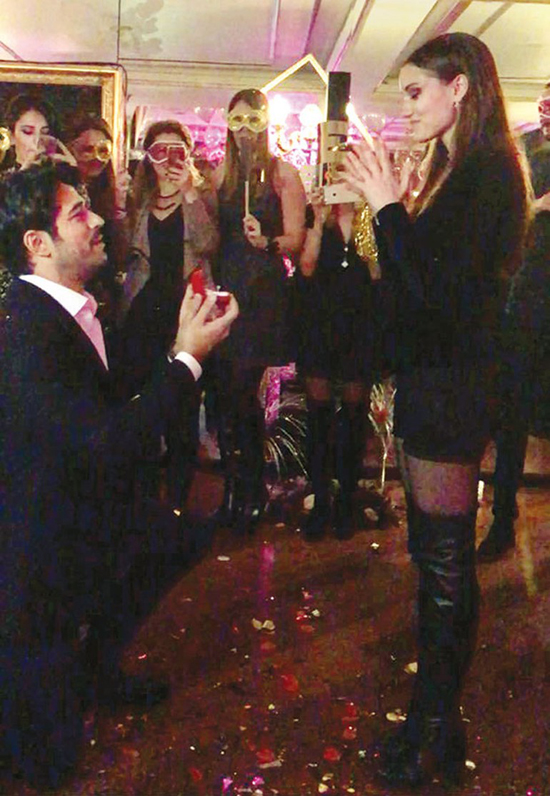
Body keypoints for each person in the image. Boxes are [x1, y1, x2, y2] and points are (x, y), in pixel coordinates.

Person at [0, 159, 238, 791]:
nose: (100, 220)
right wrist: (188, 360)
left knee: (179, 535)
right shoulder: (28, 331)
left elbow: (113, 403)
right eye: (79, 213)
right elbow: (105, 442)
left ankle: (95, 662)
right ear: (38, 243)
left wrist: (181, 343)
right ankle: (72, 674)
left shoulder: (72, 307)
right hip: (40, 549)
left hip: (85, 508)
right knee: (46, 766)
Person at [344, 32, 529, 788]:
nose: (408, 107)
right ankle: (436, 724)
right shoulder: (461, 169)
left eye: (417, 91)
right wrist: (390, 210)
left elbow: (437, 293)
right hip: (439, 378)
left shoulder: (489, 170)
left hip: (455, 384)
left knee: (446, 562)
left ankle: (435, 728)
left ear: (461, 88)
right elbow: (414, 286)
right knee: (435, 557)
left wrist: (388, 207)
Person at [211, 88, 306, 535]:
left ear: (266, 123)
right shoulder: (220, 176)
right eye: (237, 120)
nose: (245, 129)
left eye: (253, 120)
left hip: (262, 292)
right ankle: (235, 487)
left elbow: (296, 239)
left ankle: (251, 489)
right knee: (226, 393)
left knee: (242, 389)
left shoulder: (283, 174)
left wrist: (266, 240)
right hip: (227, 288)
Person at [120, 120, 219, 511]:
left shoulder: (202, 195)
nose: (167, 159)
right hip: (143, 312)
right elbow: (123, 250)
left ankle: (177, 503)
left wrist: (189, 194)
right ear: (148, 156)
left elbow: (209, 244)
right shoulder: (138, 199)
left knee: (183, 409)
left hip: (185, 312)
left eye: (176, 151)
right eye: (159, 151)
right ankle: (143, 501)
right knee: (144, 406)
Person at [477, 82, 550, 561]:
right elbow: (497, 218)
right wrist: (537, 206)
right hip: (525, 299)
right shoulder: (522, 152)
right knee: (513, 414)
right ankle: (503, 517)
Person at [297, 186, 379, 540]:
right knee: (318, 419)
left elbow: (377, 274)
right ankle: (320, 501)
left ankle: (346, 499)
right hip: (321, 326)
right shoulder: (320, 219)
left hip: (358, 328)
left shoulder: (369, 218)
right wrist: (317, 221)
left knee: (353, 419)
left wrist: (367, 225)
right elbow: (306, 267)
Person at [65, 113, 131, 332]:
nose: (96, 157)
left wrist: (119, 207)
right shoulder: (62, 193)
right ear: (71, 149)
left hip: (104, 296)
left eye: (103, 150)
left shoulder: (110, 193)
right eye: (87, 149)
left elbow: (121, 255)